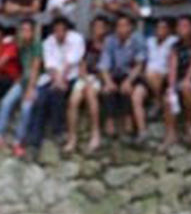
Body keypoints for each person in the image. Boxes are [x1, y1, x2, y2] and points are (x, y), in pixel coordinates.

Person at [18, 16, 84, 158]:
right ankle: (33, 141)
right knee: (39, 99)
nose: (59, 33)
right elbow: (50, 65)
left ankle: (58, 131)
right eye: (56, 30)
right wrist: (57, 79)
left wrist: (61, 80)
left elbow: (71, 61)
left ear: (67, 30)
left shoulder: (76, 39)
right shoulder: (49, 42)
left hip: (71, 76)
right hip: (52, 77)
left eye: (62, 30)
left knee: (57, 94)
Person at [0, 18, 41, 151]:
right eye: (22, 30)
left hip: (35, 83)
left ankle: (18, 141)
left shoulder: (37, 46)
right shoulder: (19, 46)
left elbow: (35, 68)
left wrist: (30, 89)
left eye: (28, 30)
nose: (25, 33)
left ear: (33, 32)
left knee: (26, 107)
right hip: (21, 82)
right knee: (6, 102)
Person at [99, 12, 148, 142]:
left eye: (125, 25)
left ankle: (129, 122)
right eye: (119, 26)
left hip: (133, 73)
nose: (122, 29)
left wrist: (129, 81)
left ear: (131, 27)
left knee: (128, 89)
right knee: (106, 90)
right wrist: (108, 81)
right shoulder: (110, 40)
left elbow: (139, 64)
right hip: (115, 73)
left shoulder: (137, 39)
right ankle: (109, 123)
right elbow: (104, 65)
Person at [64, 16, 107, 153]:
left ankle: (95, 133)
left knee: (90, 94)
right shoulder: (87, 44)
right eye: (95, 27)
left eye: (100, 27)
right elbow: (82, 64)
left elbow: (106, 67)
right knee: (73, 100)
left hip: (99, 77)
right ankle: (72, 137)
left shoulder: (108, 44)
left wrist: (94, 80)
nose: (97, 30)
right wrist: (84, 77)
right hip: (85, 76)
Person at [165, 14, 191, 147]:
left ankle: (189, 123)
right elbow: (173, 67)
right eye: (179, 26)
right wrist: (171, 87)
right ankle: (171, 133)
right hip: (182, 78)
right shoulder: (175, 46)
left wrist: (187, 79)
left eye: (185, 26)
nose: (182, 29)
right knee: (168, 97)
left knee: (187, 88)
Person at [144, 17, 177, 143]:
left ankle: (157, 101)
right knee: (150, 74)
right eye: (158, 28)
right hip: (149, 73)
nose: (160, 30)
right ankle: (157, 100)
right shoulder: (150, 41)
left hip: (165, 73)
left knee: (154, 75)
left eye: (164, 28)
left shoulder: (173, 41)